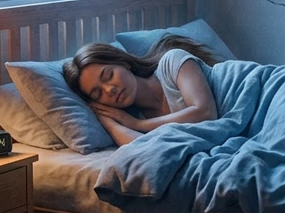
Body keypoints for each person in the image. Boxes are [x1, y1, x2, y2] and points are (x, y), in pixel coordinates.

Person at [62, 36, 220, 145]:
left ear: (123, 62)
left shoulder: (171, 63)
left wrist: (139, 124)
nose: (109, 90)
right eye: (98, 93)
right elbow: (144, 150)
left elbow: (206, 113)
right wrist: (105, 119)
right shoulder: (133, 120)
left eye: (109, 75)